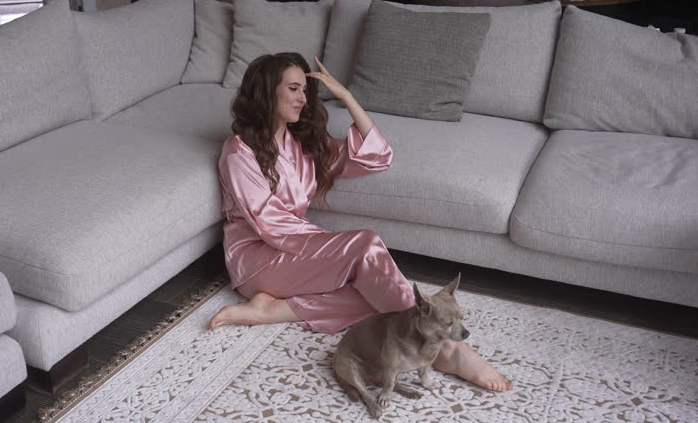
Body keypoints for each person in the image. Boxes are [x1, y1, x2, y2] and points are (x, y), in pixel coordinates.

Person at [209, 52, 512, 392]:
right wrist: (338, 250)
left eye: (305, 91)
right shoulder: (239, 152)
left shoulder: (301, 144)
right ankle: (449, 349)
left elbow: (377, 156)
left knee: (376, 288)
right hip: (256, 259)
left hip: (293, 254)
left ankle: (273, 310)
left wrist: (347, 97)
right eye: (293, 89)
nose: (302, 98)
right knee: (365, 248)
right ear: (267, 92)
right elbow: (270, 223)